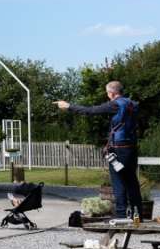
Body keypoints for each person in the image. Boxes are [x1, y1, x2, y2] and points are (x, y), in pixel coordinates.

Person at [54, 80, 143, 219]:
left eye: (108, 93)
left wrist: (68, 106)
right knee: (132, 181)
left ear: (112, 93)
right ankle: (138, 216)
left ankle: (121, 217)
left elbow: (89, 111)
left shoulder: (115, 104)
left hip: (118, 149)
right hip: (132, 147)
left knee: (118, 182)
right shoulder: (133, 104)